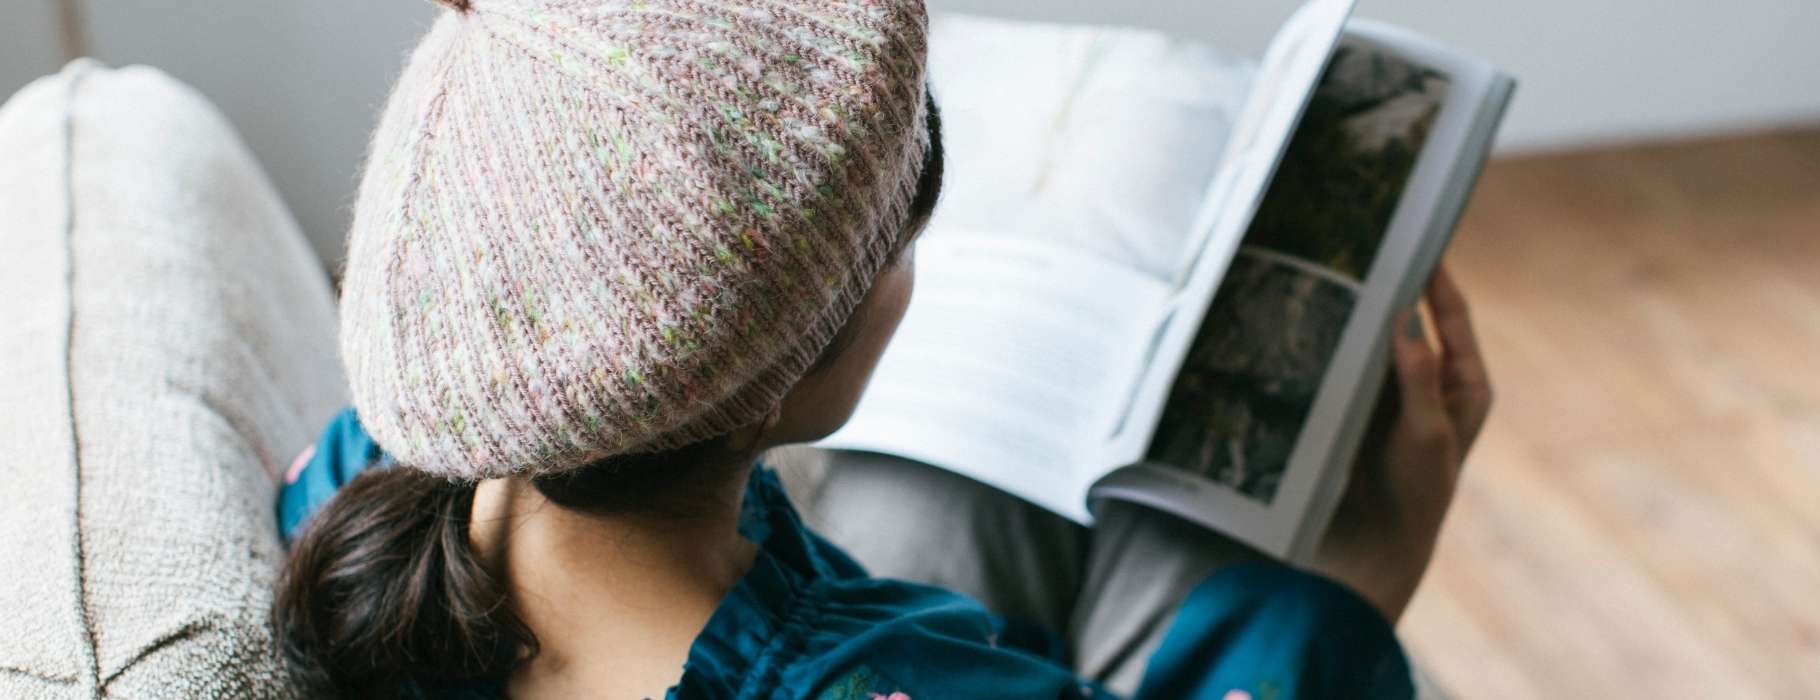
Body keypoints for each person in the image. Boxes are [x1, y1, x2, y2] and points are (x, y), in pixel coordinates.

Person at [271, 0, 1493, 697]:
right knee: (1215, 564)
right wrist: (1352, 589)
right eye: (901, 243)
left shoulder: (360, 488)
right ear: (782, 376)